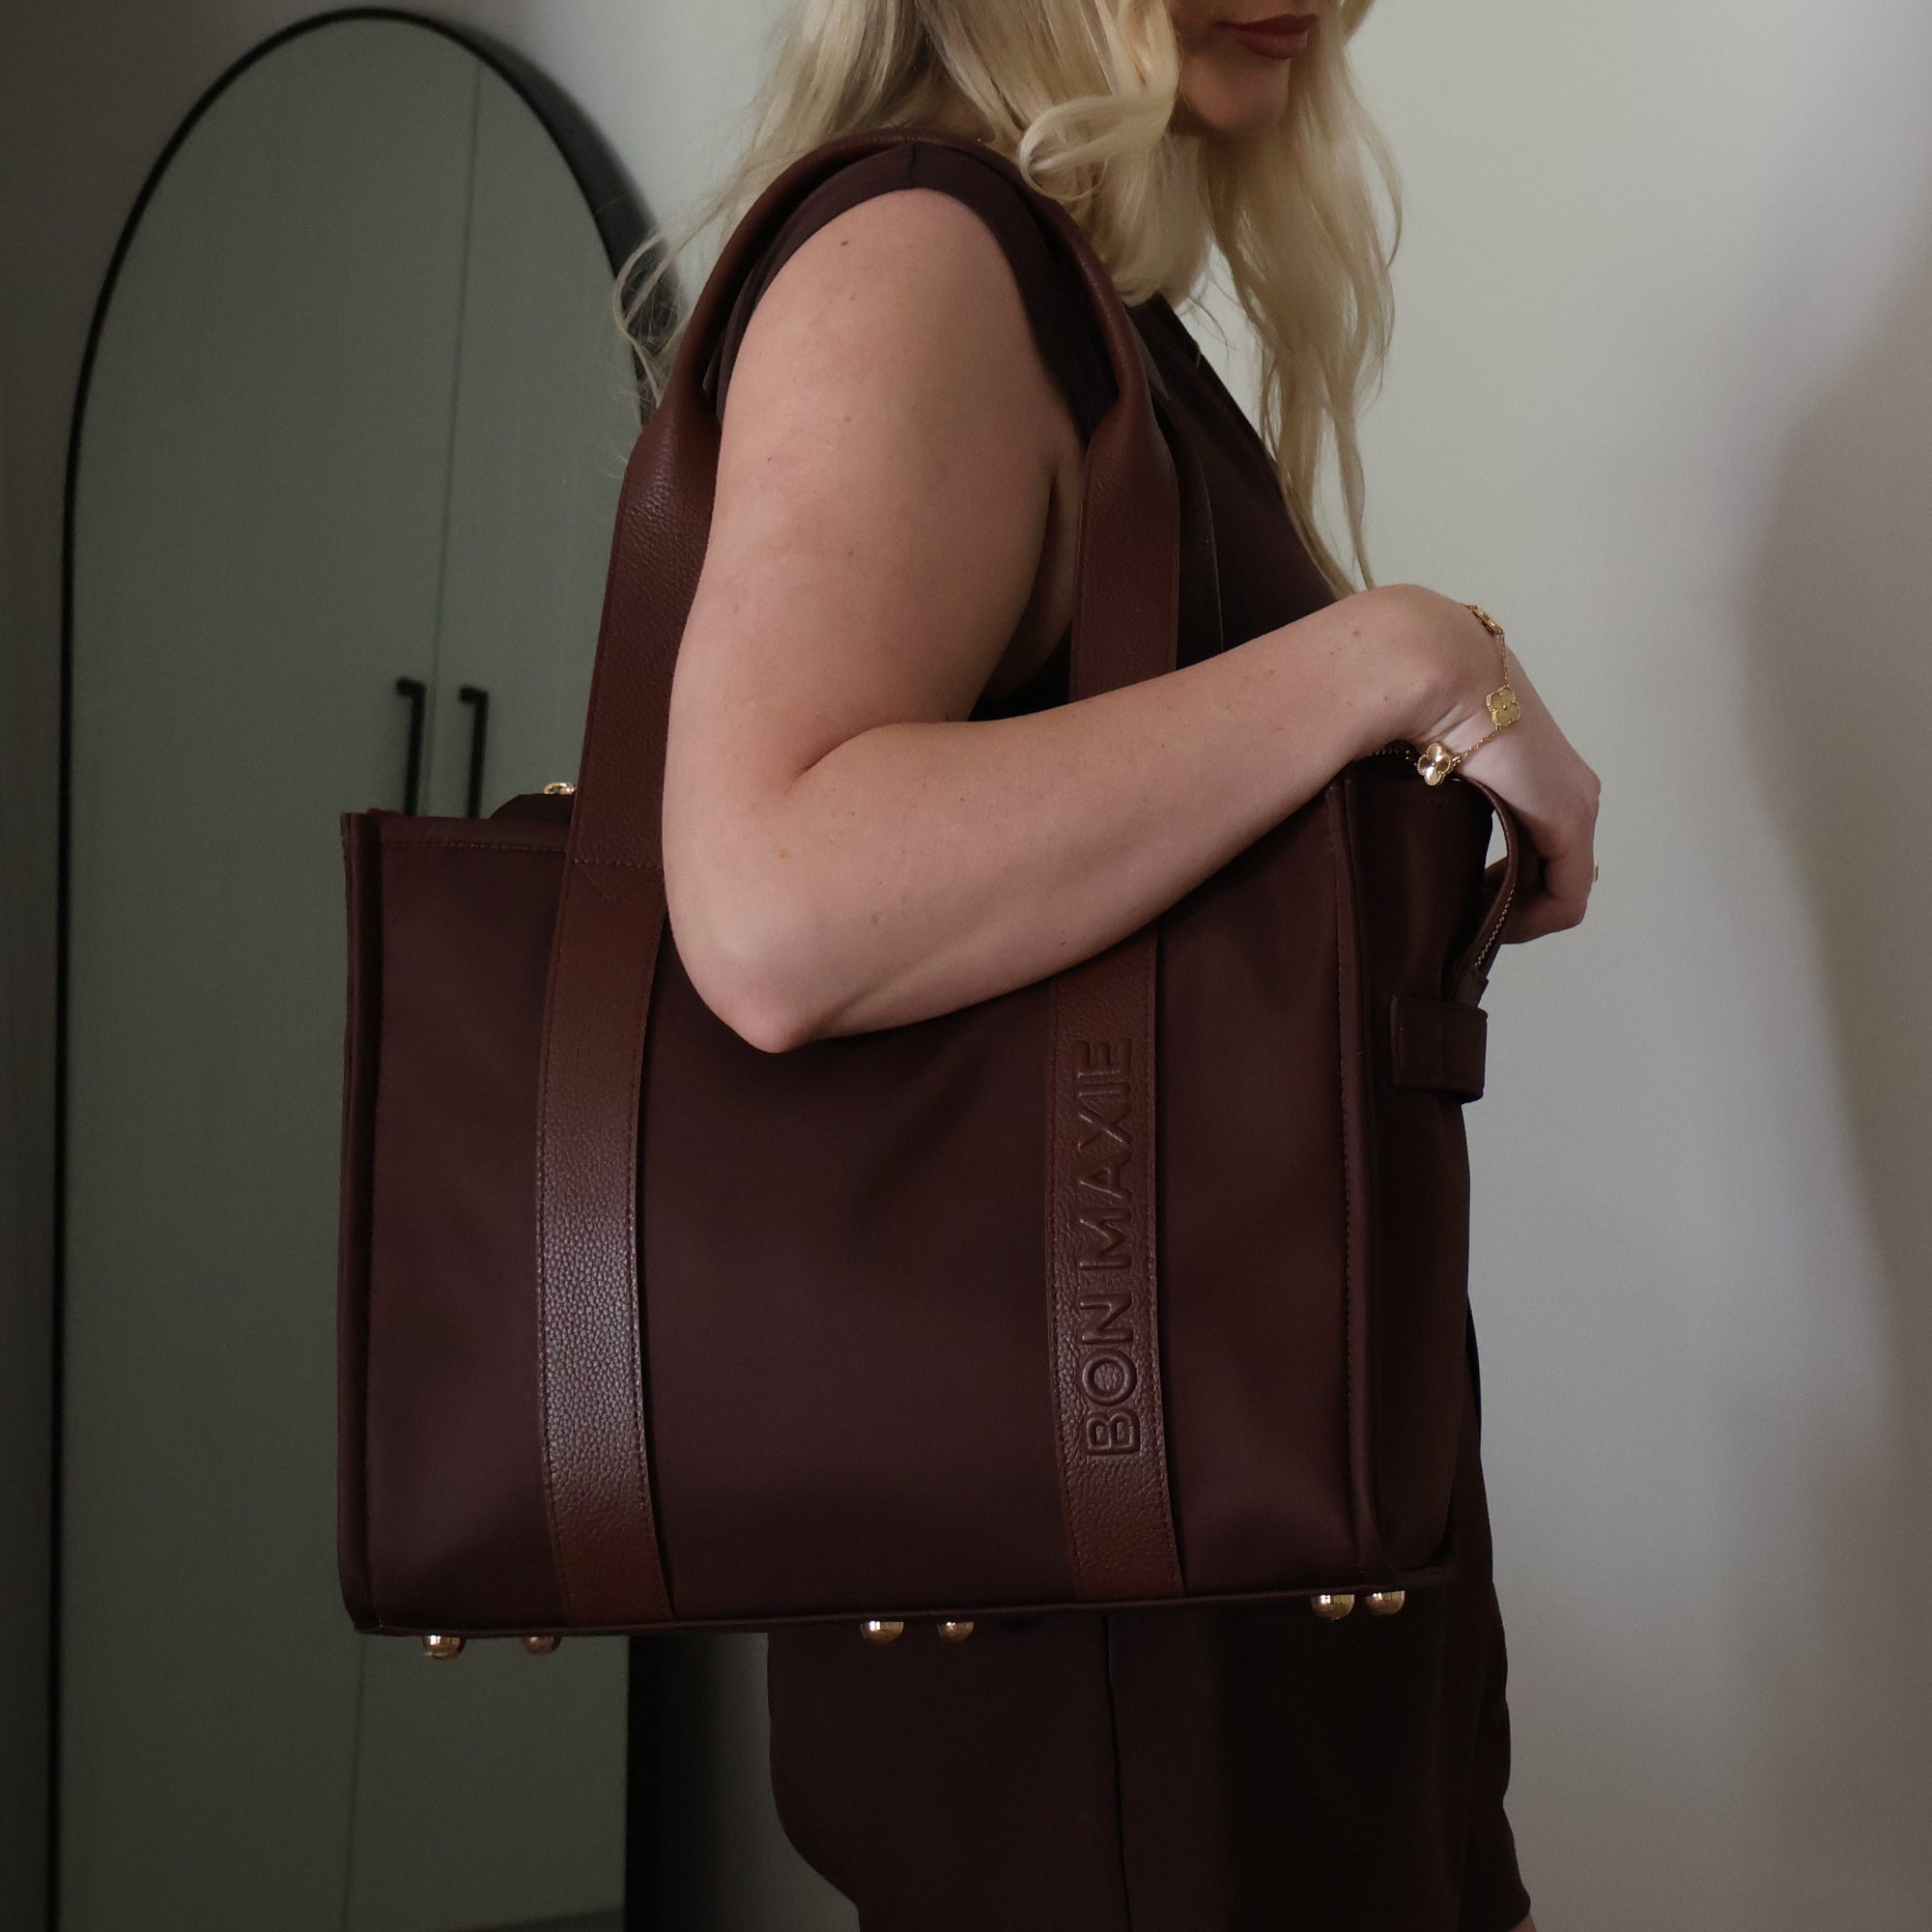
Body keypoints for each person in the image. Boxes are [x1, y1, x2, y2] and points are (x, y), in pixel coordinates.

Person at [626, 2, 1596, 1925]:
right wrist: (1386, 658)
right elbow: (771, 900)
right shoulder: (919, 252)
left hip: (1210, 1597)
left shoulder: (1062, 298)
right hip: (1116, 1679)